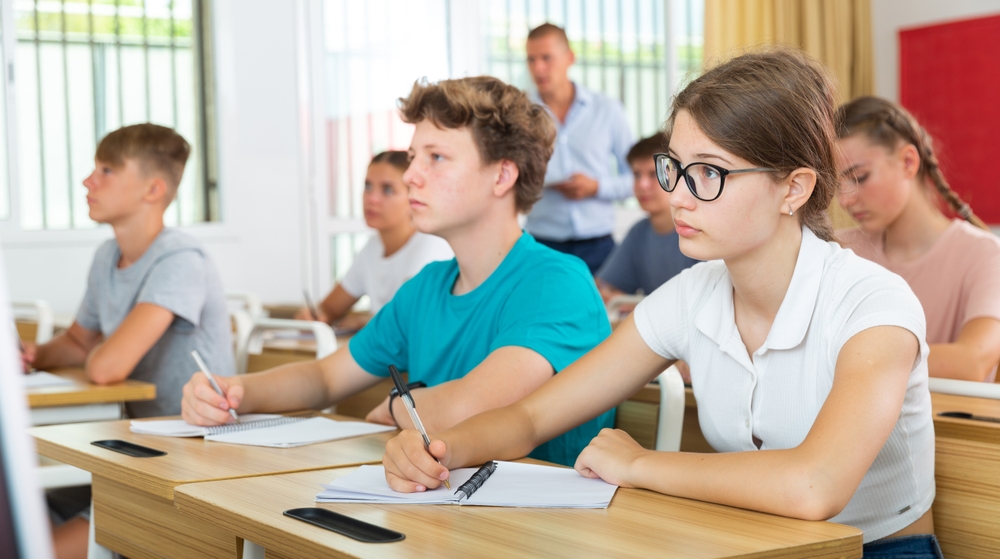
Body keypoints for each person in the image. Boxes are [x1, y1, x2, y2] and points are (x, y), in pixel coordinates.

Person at [383, 49, 941, 557]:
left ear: (793, 189)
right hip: (755, 542)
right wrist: (438, 448)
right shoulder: (692, 295)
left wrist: (640, 463)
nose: (675, 194)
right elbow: (532, 416)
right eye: (675, 167)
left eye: (708, 173)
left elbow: (814, 485)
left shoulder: (872, 303)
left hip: (881, 551)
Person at [182, 76, 614, 467]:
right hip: (442, 508)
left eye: (437, 157)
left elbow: (469, 407)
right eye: (412, 157)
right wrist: (234, 391)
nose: (411, 176)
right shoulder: (426, 288)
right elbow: (325, 377)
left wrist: (392, 407)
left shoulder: (555, 283)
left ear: (502, 175)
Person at [23, 123, 233, 559]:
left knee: (32, 544)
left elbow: (106, 367)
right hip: (130, 449)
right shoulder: (106, 256)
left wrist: (94, 353)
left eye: (106, 170)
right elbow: (80, 342)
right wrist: (34, 355)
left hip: (189, 458)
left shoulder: (180, 259)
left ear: (152, 189)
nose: (88, 181)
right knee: (21, 505)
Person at [836, 96, 1000, 382]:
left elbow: (973, 362)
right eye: (836, 185)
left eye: (859, 178)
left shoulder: (984, 254)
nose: (844, 200)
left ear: (908, 161)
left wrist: (855, 358)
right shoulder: (840, 250)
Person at [294, 151, 452, 330]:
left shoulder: (432, 245)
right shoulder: (373, 248)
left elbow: (409, 318)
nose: (372, 199)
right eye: (368, 187)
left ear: (413, 197)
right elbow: (330, 307)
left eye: (387, 190)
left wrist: (366, 322)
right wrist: (316, 315)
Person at [524, 23, 634, 273]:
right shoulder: (520, 115)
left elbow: (637, 179)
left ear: (569, 58)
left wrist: (596, 187)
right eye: (531, 60)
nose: (538, 68)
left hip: (600, 248)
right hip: (542, 244)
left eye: (546, 58)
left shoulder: (607, 110)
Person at [596, 134, 699, 302]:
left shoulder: (698, 229)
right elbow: (604, 286)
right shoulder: (639, 232)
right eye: (637, 175)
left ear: (678, 175)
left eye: (653, 174)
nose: (643, 185)